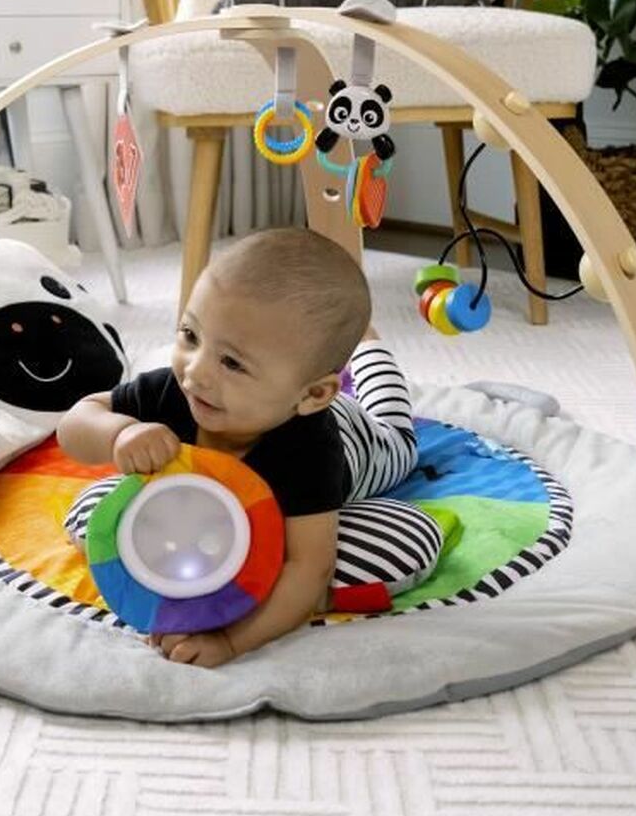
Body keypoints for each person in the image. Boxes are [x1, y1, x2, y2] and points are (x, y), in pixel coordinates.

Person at [56, 227, 418, 668]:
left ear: (313, 394)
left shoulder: (308, 453)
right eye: (190, 335)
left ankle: (371, 350)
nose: (196, 372)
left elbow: (309, 570)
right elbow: (75, 422)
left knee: (398, 431)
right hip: (285, 398)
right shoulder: (175, 391)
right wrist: (118, 433)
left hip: (362, 443)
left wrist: (231, 641)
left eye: (231, 362)